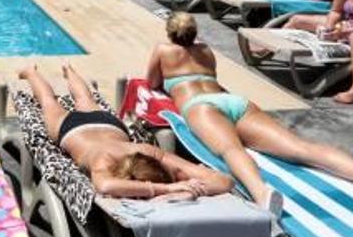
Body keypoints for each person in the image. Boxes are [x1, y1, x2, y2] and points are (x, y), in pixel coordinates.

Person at [146, 12, 353, 223]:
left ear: (170, 33)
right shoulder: (206, 50)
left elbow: (153, 82)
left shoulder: (162, 49)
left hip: (201, 106)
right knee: (301, 148)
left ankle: (262, 194)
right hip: (235, 101)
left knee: (231, 149)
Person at [18, 64, 234, 200]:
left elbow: (226, 181)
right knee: (58, 101)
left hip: (94, 129)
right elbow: (105, 185)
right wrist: (167, 189)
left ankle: (39, 71)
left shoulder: (148, 152)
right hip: (79, 130)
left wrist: (180, 189)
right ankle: (59, 71)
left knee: (68, 100)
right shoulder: (107, 160)